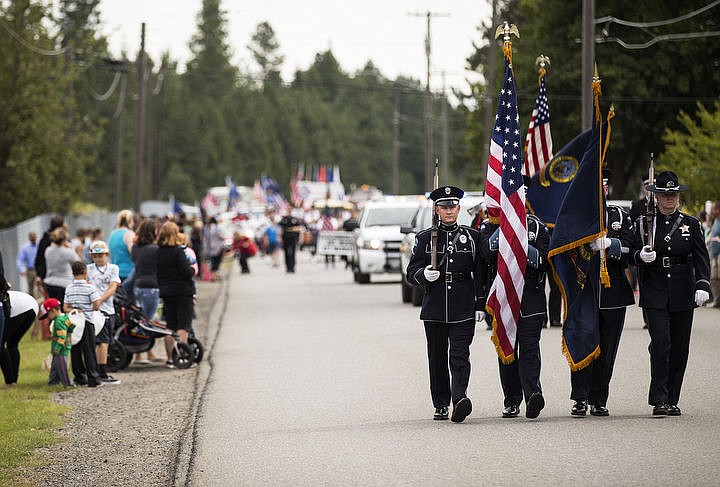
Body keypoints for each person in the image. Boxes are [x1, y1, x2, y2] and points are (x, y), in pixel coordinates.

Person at [631, 170, 711, 416]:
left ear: (677, 196)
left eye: (673, 195)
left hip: (682, 289)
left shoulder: (691, 224)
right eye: (665, 195)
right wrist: (640, 257)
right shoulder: (644, 223)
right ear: (656, 197)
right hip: (654, 288)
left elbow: (701, 257)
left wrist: (702, 284)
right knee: (661, 343)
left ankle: (672, 398)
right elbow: (631, 254)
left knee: (679, 346)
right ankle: (659, 398)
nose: (669, 199)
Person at [406, 186, 486, 423]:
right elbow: (411, 272)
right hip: (435, 307)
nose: (449, 211)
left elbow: (480, 273)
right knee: (437, 358)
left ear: (459, 209)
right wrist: (423, 274)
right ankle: (441, 403)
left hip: (463, 305)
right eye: (444, 207)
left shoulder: (472, 237)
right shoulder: (424, 238)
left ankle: (460, 399)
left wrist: (480, 304)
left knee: (460, 355)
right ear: (437, 210)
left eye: (452, 207)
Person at [569, 169, 635, 417]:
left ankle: (598, 398)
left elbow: (632, 247)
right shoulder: (576, 216)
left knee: (607, 348)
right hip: (584, 289)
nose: (601, 191)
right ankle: (579, 397)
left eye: (604, 186)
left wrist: (611, 244)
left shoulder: (619, 215)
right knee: (582, 342)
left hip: (612, 290)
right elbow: (564, 248)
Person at [479, 208, 549, 420]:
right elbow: (485, 253)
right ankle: (511, 400)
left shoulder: (537, 226)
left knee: (530, 347)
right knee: (506, 347)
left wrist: (521, 244)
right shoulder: (489, 226)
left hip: (530, 296)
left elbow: (545, 260)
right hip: (503, 295)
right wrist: (505, 230)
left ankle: (533, 395)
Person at [156, 221, 196, 368]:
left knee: (170, 325)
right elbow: (186, 272)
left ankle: (169, 359)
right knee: (183, 325)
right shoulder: (178, 251)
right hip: (183, 291)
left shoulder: (158, 252)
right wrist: (192, 269)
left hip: (166, 292)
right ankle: (181, 355)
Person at [86, 241, 122, 384]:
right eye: (95, 256)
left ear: (107, 255)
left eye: (100, 256)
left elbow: (112, 287)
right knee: (101, 341)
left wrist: (99, 300)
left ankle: (98, 370)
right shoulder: (88, 269)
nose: (98, 259)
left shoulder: (113, 268)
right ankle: (101, 372)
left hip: (107, 308)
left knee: (105, 341)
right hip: (94, 310)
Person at [64, 261, 104, 388]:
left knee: (75, 349)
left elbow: (65, 308)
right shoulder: (90, 288)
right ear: (85, 272)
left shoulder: (69, 288)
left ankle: (79, 377)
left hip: (74, 322)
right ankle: (93, 378)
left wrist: (75, 309)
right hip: (87, 321)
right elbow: (96, 306)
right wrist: (88, 309)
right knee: (89, 350)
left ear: (73, 273)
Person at [131, 219, 161, 364]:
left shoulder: (135, 248)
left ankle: (145, 353)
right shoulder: (155, 249)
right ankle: (143, 353)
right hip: (152, 287)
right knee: (147, 322)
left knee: (141, 321)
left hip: (138, 286)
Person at [1, 291, 38, 386]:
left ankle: (9, 381)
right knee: (12, 343)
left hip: (21, 308)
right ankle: (13, 381)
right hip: (31, 306)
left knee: (1, 344)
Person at [42, 298, 75, 387]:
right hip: (63, 347)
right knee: (55, 366)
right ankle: (53, 381)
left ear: (53, 311)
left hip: (60, 350)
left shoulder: (58, 321)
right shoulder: (64, 317)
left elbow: (62, 336)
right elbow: (72, 326)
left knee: (61, 367)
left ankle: (67, 383)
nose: (48, 317)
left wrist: (58, 347)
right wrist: (69, 335)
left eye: (48, 314)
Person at [43, 228, 80, 306]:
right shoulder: (68, 252)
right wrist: (71, 248)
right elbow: (78, 262)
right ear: (64, 240)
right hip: (65, 283)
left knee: (54, 308)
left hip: (50, 283)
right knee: (63, 308)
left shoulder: (48, 250)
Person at [34, 215, 65, 298]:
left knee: (50, 301)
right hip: (60, 277)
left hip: (46, 276)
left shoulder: (43, 240)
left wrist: (39, 275)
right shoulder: (61, 241)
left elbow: (38, 259)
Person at [108, 209, 136, 284]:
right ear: (130, 221)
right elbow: (134, 253)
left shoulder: (112, 234)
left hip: (115, 273)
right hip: (128, 273)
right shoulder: (129, 234)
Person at [203, 216, 225, 281]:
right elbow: (221, 236)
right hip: (218, 247)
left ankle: (213, 276)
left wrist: (205, 248)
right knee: (216, 262)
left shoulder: (206, 228)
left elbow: (204, 239)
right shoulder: (216, 227)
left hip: (209, 248)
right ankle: (214, 276)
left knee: (212, 262)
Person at [708, 201, 720, 307]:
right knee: (714, 278)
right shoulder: (715, 220)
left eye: (713, 209)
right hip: (714, 254)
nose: (711, 211)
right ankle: (717, 300)